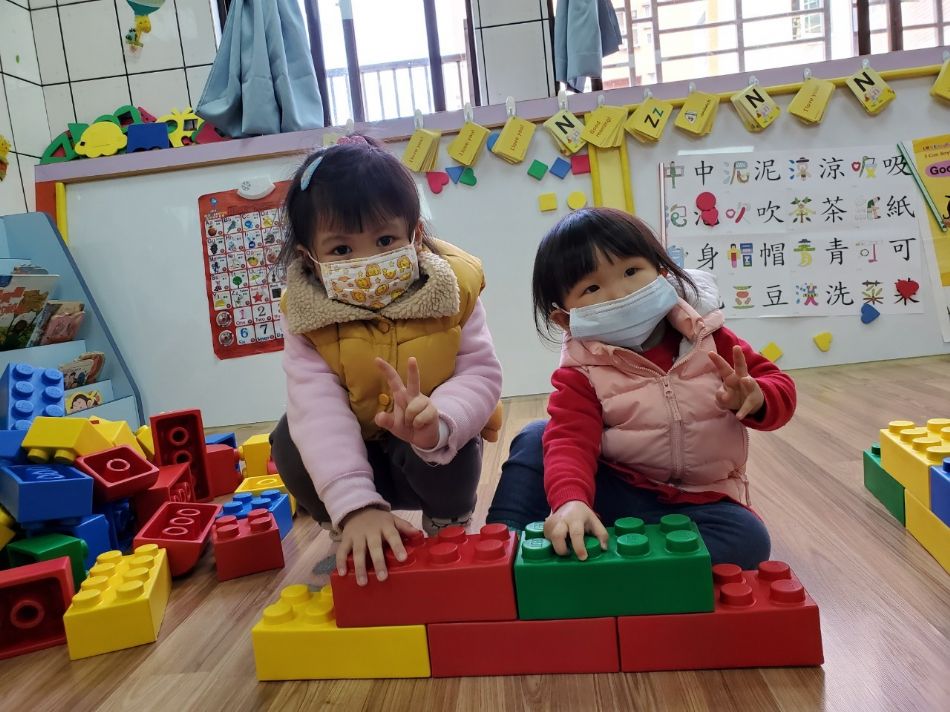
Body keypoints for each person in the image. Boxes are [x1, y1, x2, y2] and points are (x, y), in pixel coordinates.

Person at [487, 208, 796, 569]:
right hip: (619, 490)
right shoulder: (581, 370)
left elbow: (780, 387)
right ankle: (503, 553)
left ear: (662, 274)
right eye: (592, 288)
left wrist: (757, 397)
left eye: (631, 271)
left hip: (700, 500)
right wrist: (570, 500)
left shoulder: (710, 339)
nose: (619, 293)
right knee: (537, 437)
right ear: (564, 318)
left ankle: (615, 569)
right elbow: (571, 439)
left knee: (749, 539)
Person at [270, 135, 503, 586]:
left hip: (427, 456)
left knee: (453, 436)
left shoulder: (454, 287)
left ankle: (447, 525)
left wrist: (440, 422)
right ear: (310, 259)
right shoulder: (305, 314)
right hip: (349, 454)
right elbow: (316, 407)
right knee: (289, 439)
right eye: (341, 250)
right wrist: (355, 505)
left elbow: (480, 371)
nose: (368, 261)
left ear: (415, 235)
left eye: (384, 239)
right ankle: (350, 529)